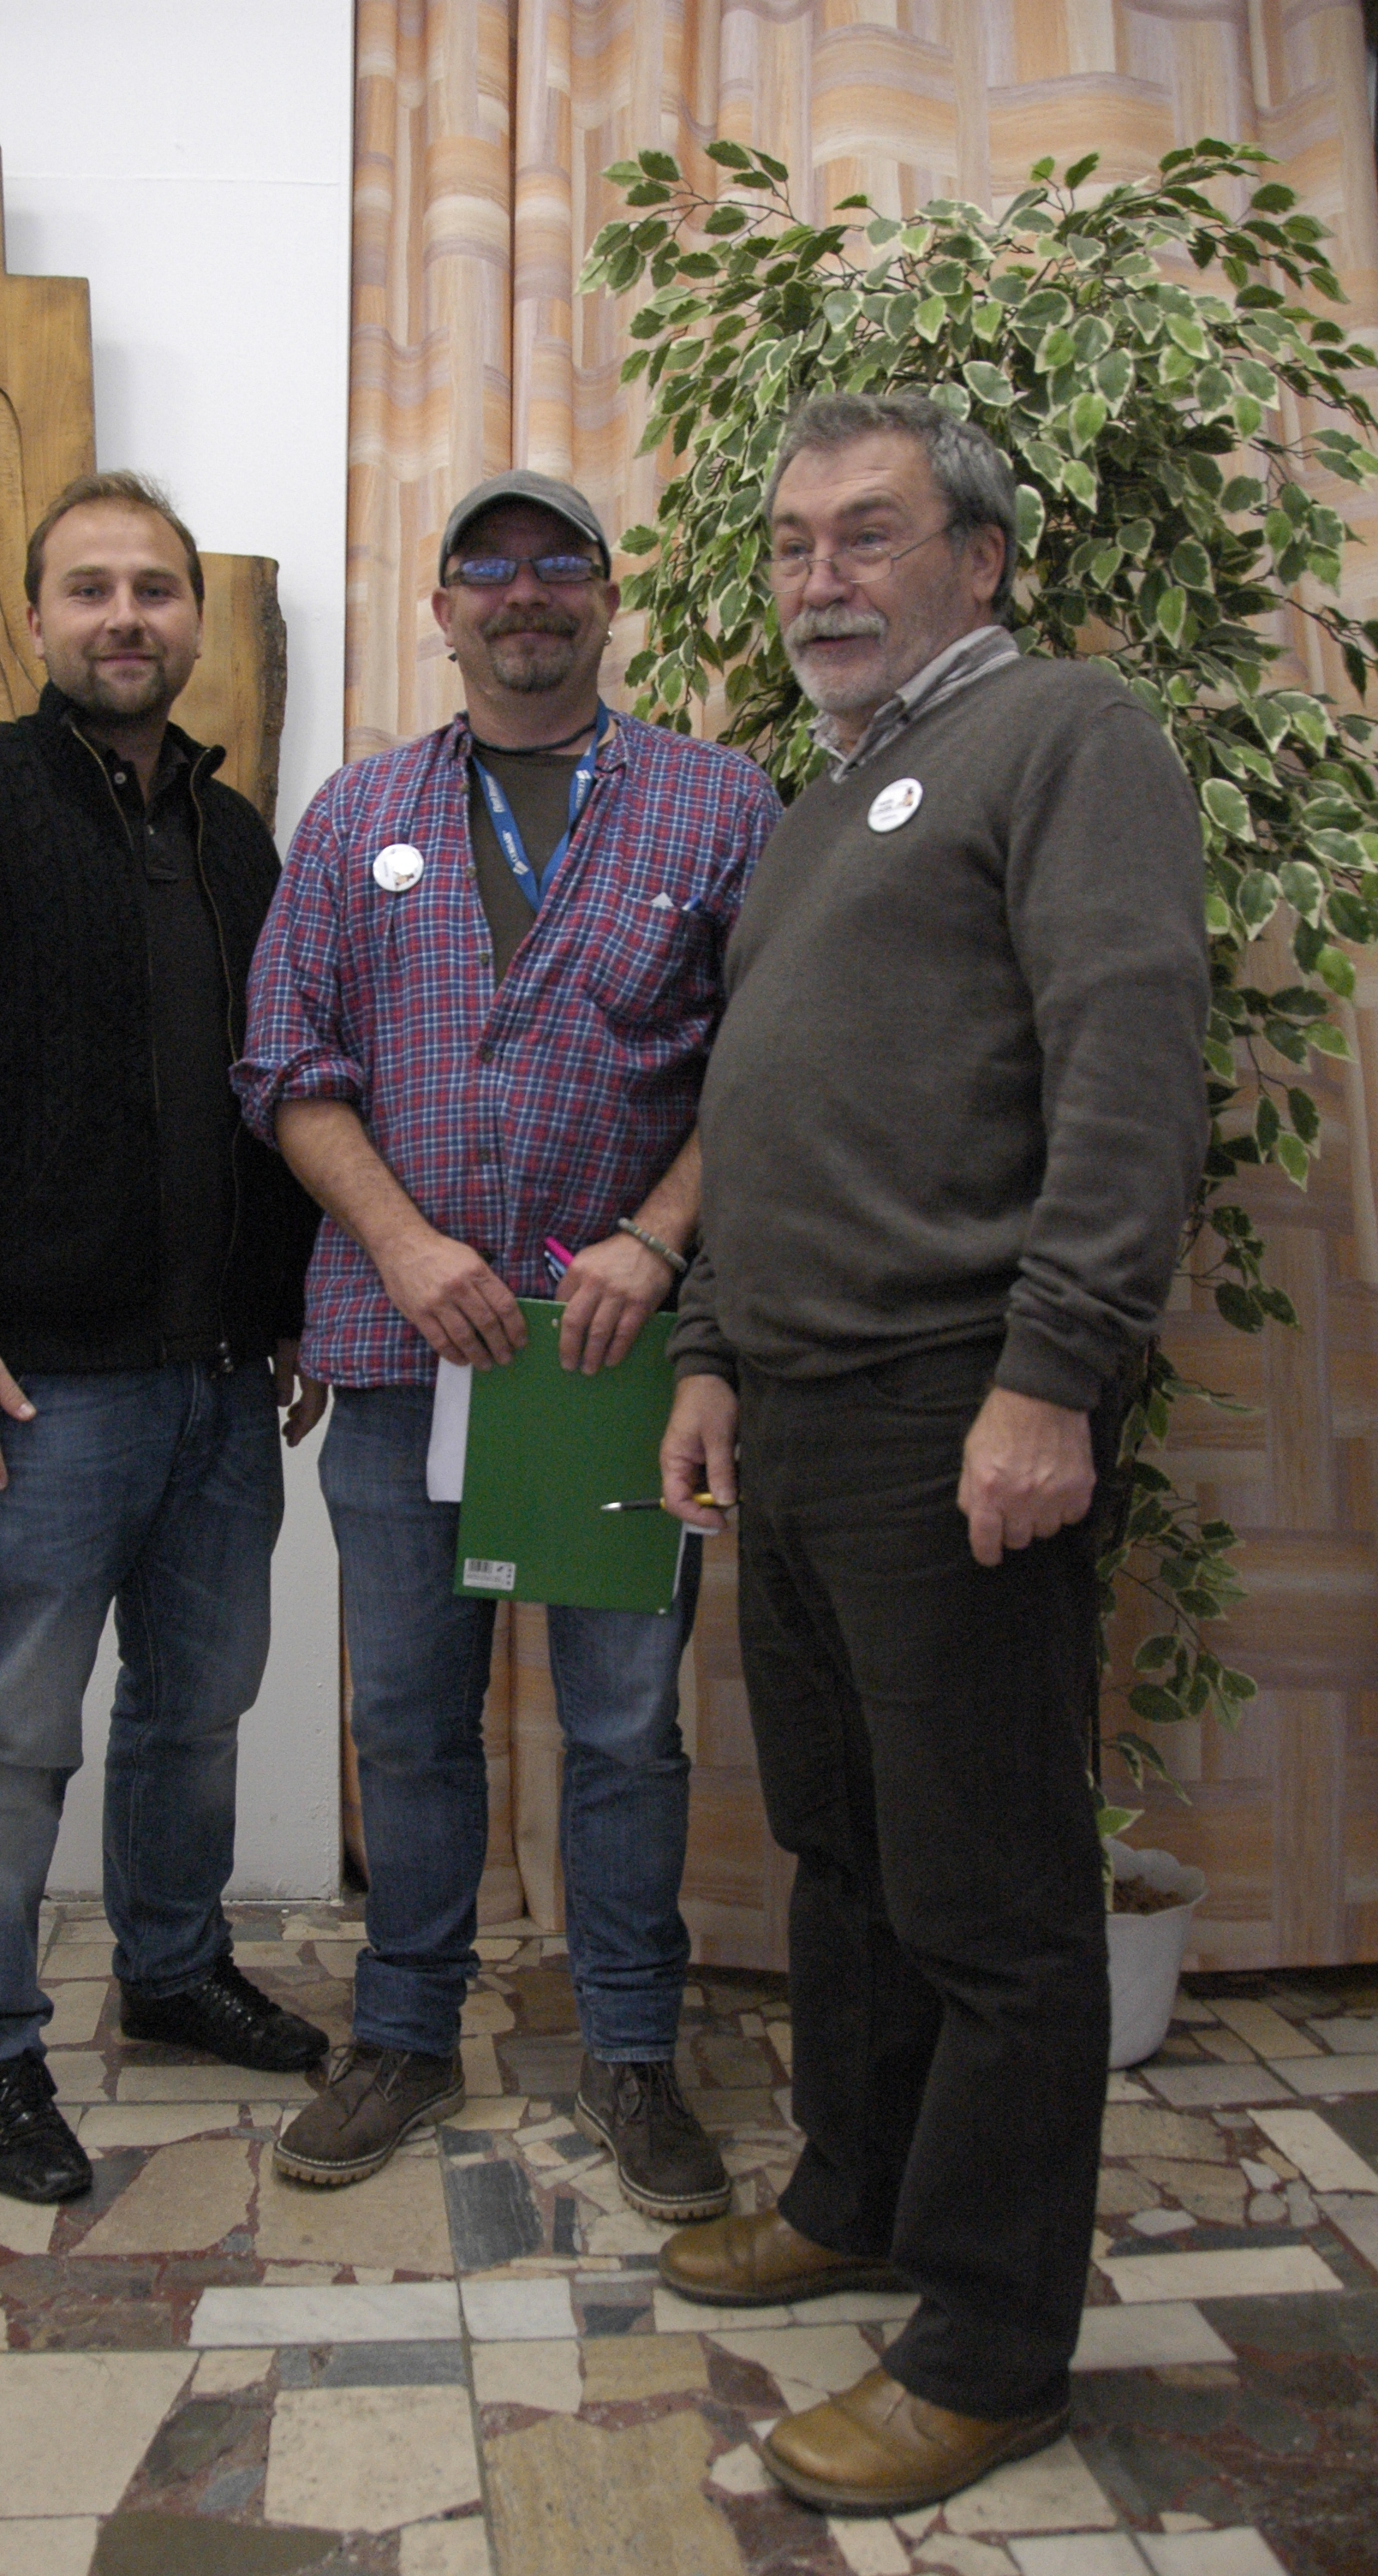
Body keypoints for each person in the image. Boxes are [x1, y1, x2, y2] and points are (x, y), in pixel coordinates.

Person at [656, 393, 1209, 2513]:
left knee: (989, 1904)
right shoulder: (822, 802)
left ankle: (987, 2346)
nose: (821, 576)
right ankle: (858, 2196)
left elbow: (1128, 1059)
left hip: (955, 1400)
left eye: (868, 533)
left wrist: (1052, 1373)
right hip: (799, 1414)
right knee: (843, 1854)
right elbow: (761, 1106)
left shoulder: (1069, 732)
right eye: (795, 541)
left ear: (977, 556)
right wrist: (710, 1352)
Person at [240, 468, 781, 2215]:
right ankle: (404, 2032)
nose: (524, 592)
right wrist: (399, 1245)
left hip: (610, 1368)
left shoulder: (720, 804)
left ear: (609, 597)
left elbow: (767, 1060)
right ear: (443, 606)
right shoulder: (357, 814)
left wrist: (657, 1238)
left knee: (624, 1729)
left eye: (560, 563)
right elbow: (286, 1061)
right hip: (402, 1354)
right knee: (409, 1720)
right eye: (489, 566)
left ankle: (631, 2048)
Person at [0, 471, 327, 2206]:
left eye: (154, 589)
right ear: (34, 617)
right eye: (90, 588)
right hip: (32, 1394)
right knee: (14, 1733)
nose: (126, 617)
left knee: (198, 1709)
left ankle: (173, 1969)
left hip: (218, 1387)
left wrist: (282, 1307)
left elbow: (270, 1092)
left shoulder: (234, 837)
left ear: (193, 618)